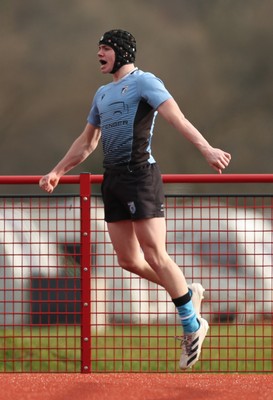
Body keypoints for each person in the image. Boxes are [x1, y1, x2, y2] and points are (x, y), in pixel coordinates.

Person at [39, 29, 231, 370]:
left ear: (122, 51)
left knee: (155, 253)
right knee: (128, 260)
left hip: (141, 175)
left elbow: (177, 118)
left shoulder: (145, 82)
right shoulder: (101, 94)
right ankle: (187, 292)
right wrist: (58, 170)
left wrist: (207, 148)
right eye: (98, 48)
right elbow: (87, 142)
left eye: (104, 48)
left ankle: (191, 324)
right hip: (112, 181)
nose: (99, 54)